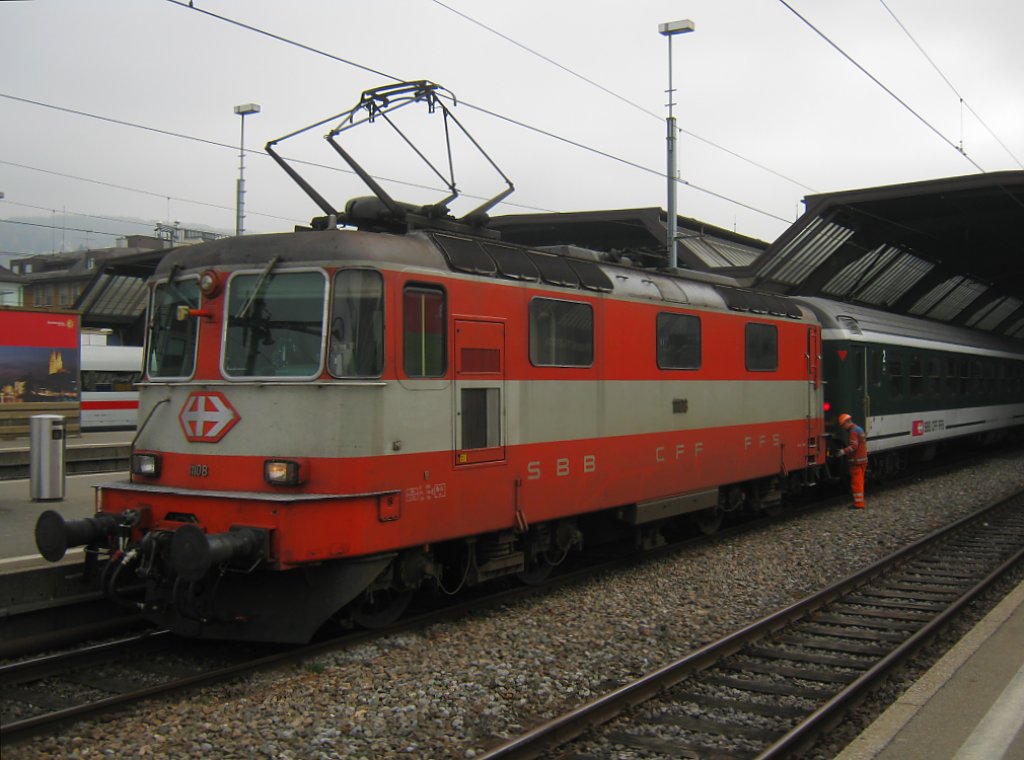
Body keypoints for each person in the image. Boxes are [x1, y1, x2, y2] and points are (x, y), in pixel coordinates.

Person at [837, 413, 868, 509]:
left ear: (847, 423)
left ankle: (859, 504)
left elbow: (854, 446)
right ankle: (860, 502)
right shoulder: (859, 429)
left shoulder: (853, 432)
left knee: (856, 483)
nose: (843, 428)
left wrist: (843, 451)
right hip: (863, 460)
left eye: (843, 425)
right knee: (860, 482)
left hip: (856, 461)